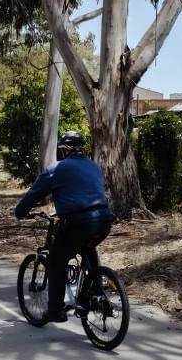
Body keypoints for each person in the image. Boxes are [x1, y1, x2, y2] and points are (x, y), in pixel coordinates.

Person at [14, 131, 114, 323]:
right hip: (104, 221)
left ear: (63, 150)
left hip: (77, 223)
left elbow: (33, 194)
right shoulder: (94, 166)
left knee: (56, 262)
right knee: (88, 248)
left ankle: (55, 310)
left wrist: (20, 212)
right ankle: (94, 291)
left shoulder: (57, 169)